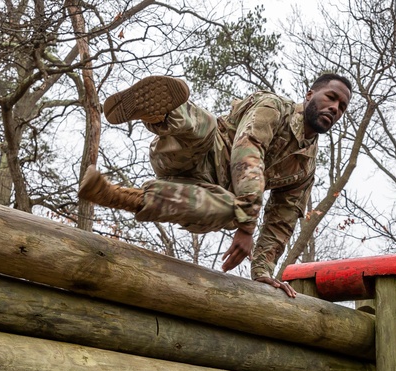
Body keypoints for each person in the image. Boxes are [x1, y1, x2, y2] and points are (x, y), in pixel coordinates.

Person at [79, 73, 352, 297]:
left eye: (342, 107)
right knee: (205, 127)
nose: (335, 108)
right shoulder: (274, 107)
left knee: (229, 211)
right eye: (331, 97)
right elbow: (248, 150)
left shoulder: (304, 167)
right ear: (309, 95)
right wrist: (247, 225)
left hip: (197, 189)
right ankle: (162, 113)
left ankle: (117, 195)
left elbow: (282, 221)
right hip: (188, 151)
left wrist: (262, 272)